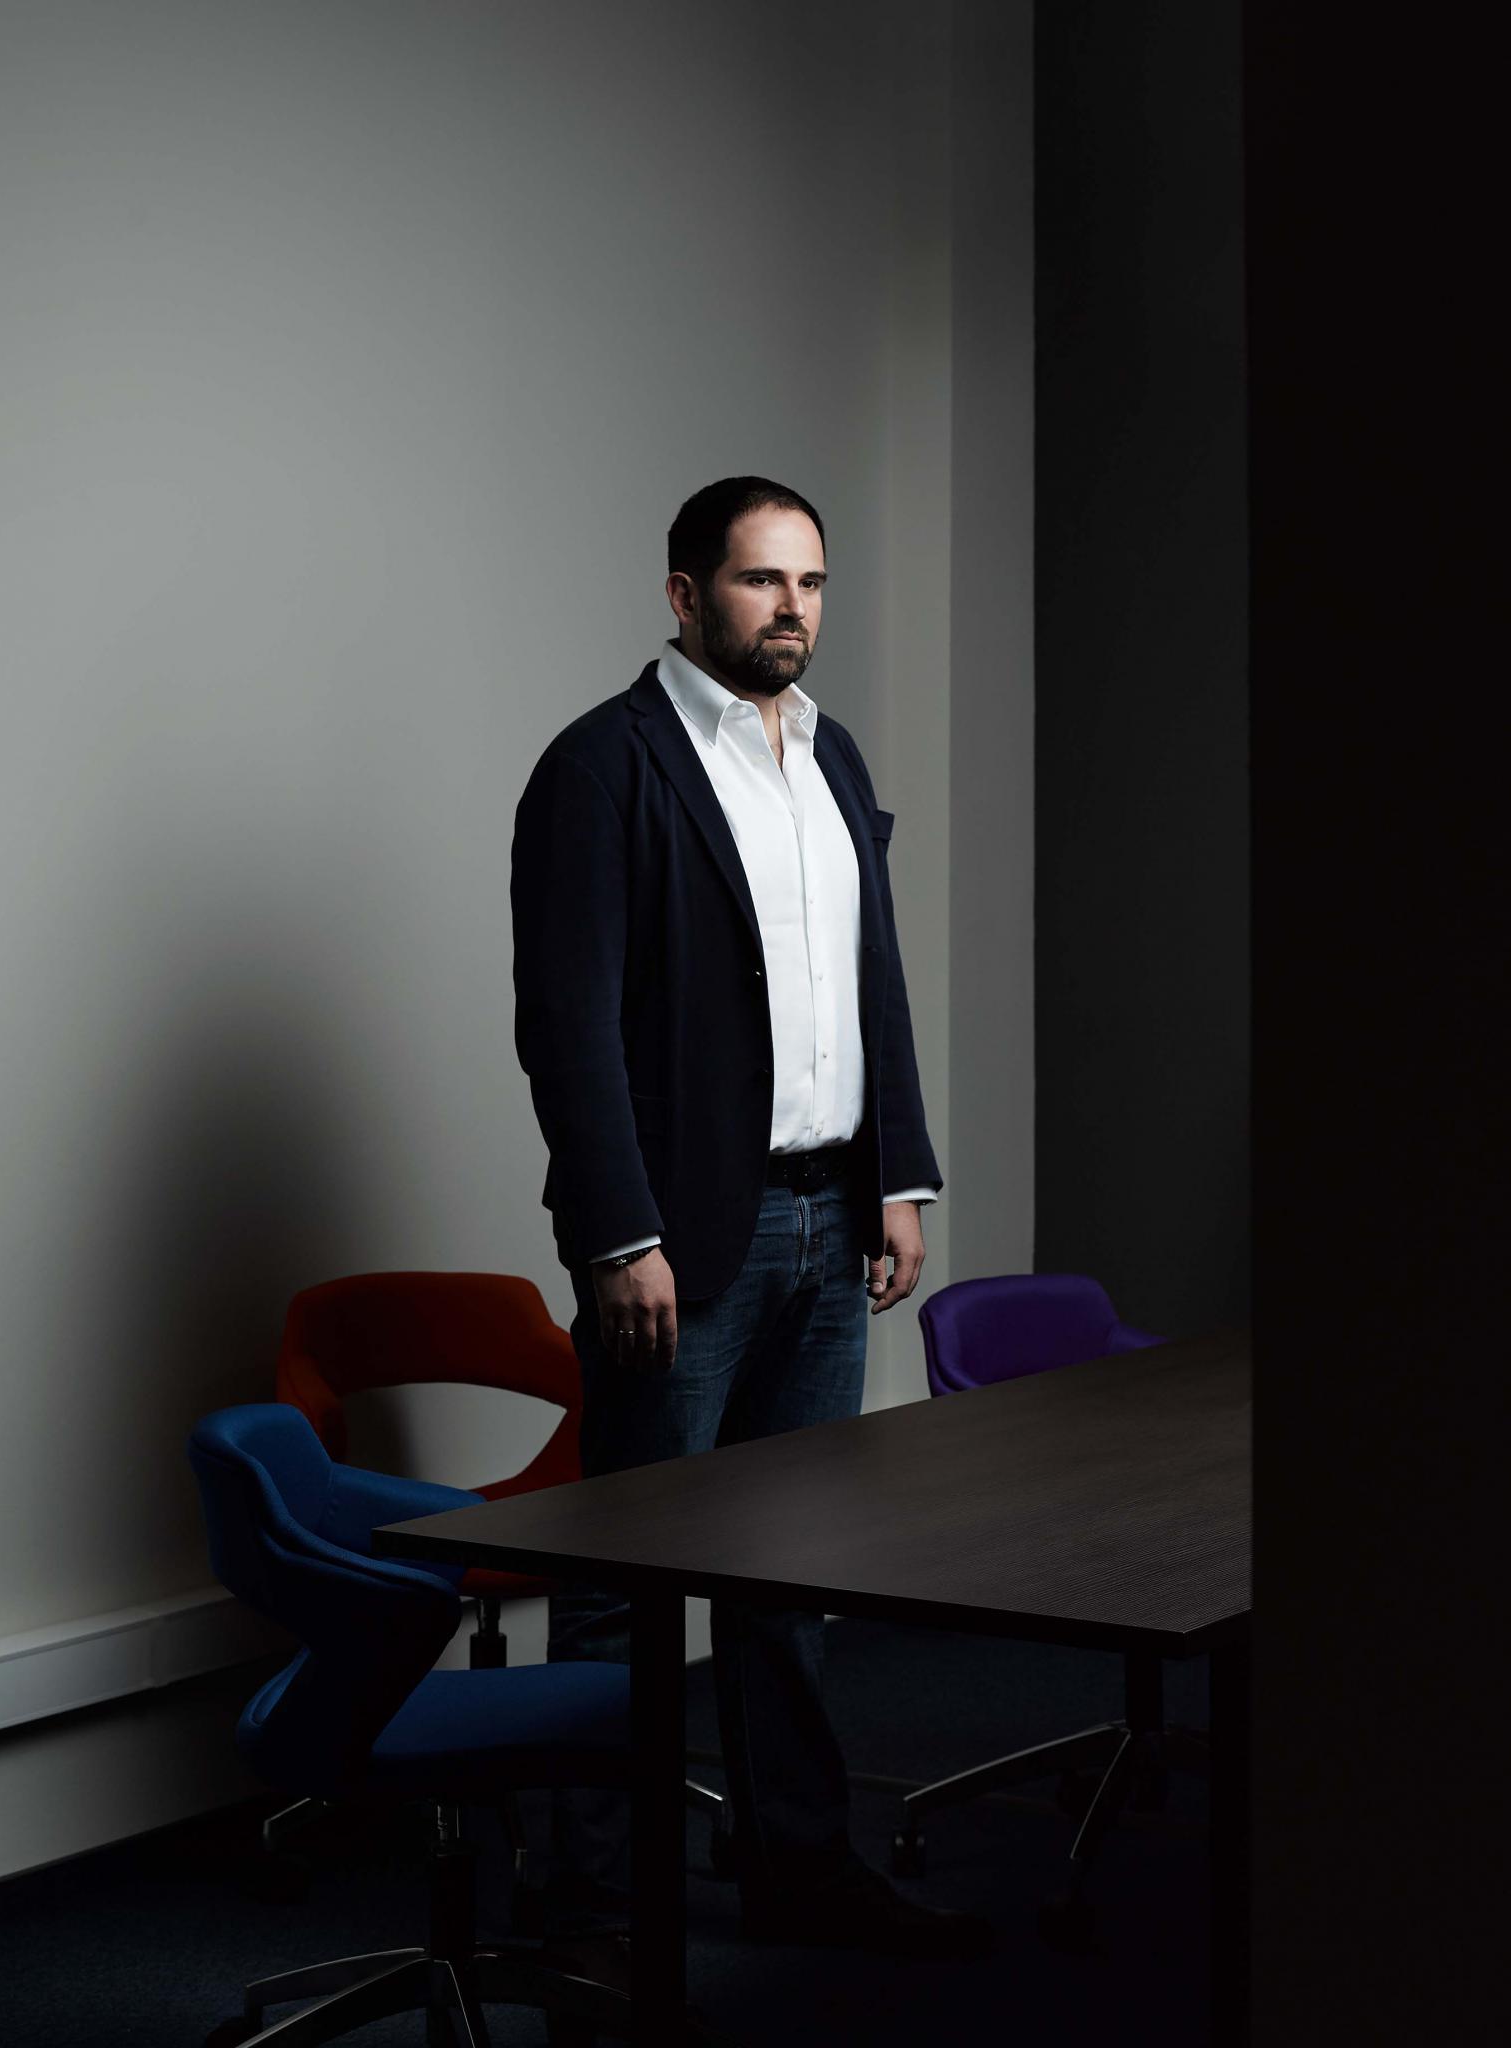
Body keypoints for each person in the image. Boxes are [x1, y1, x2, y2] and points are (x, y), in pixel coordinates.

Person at [510, 476, 990, 1992]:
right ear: (683, 595)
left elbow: (870, 976)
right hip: (678, 1242)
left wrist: (899, 1174)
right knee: (624, 1583)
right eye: (759, 581)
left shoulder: (829, 755)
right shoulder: (604, 767)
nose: (792, 609)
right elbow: (568, 1026)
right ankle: (590, 1912)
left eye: (811, 583)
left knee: (792, 1579)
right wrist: (617, 1235)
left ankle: (799, 1870)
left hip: (830, 1219)